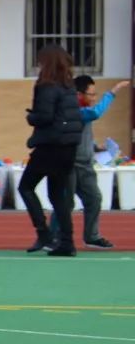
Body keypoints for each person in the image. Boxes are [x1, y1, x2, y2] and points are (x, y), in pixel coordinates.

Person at [48, 75, 130, 250]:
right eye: (91, 94)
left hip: (85, 164)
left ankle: (91, 236)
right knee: (65, 202)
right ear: (78, 94)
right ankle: (52, 237)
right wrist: (113, 92)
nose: (94, 98)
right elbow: (95, 113)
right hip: (69, 164)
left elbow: (80, 135)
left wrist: (94, 147)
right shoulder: (74, 110)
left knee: (94, 198)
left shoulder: (83, 110)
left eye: (95, 95)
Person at [19, 45, 83, 257]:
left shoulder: (46, 86)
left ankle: (43, 232)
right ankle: (67, 241)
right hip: (68, 147)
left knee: (26, 187)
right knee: (58, 196)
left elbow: (44, 116)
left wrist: (31, 117)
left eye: (40, 61)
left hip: (50, 145)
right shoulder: (68, 86)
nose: (38, 65)